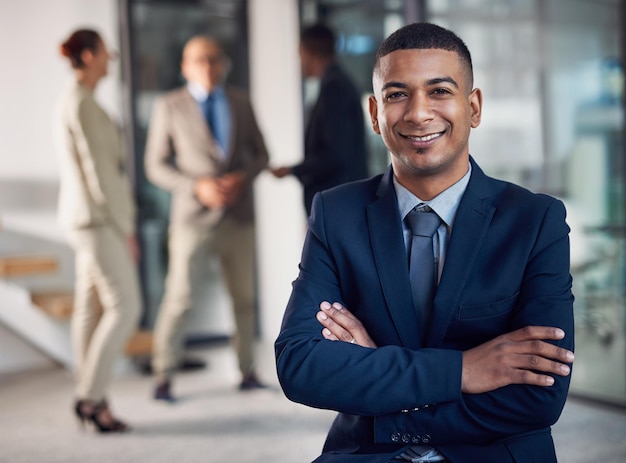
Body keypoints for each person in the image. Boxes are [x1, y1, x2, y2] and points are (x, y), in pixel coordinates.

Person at [275, 22, 575, 463]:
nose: (418, 113)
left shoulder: (535, 220)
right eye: (398, 95)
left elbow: (539, 396)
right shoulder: (336, 214)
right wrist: (464, 370)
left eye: (439, 91)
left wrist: (383, 386)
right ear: (376, 114)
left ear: (473, 107)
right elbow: (301, 365)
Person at [145, 35, 270, 401]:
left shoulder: (241, 102)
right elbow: (154, 165)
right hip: (192, 218)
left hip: (239, 215)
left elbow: (262, 154)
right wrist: (194, 186)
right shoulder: (169, 106)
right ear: (185, 67)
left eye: (214, 59)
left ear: (224, 63)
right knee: (179, 298)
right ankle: (163, 374)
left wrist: (242, 176)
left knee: (245, 298)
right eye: (199, 60)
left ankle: (247, 370)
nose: (207, 66)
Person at [57, 29, 141, 432]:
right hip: (98, 220)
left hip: (84, 218)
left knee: (90, 309)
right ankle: (89, 398)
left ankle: (93, 396)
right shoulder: (83, 104)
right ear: (89, 56)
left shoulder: (77, 100)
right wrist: (127, 227)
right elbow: (100, 173)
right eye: (106, 53)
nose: (111, 59)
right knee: (126, 306)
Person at [270, 23, 369, 216]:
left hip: (338, 205)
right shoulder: (337, 83)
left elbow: (335, 154)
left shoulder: (335, 87)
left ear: (306, 51)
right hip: (341, 202)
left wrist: (293, 170)